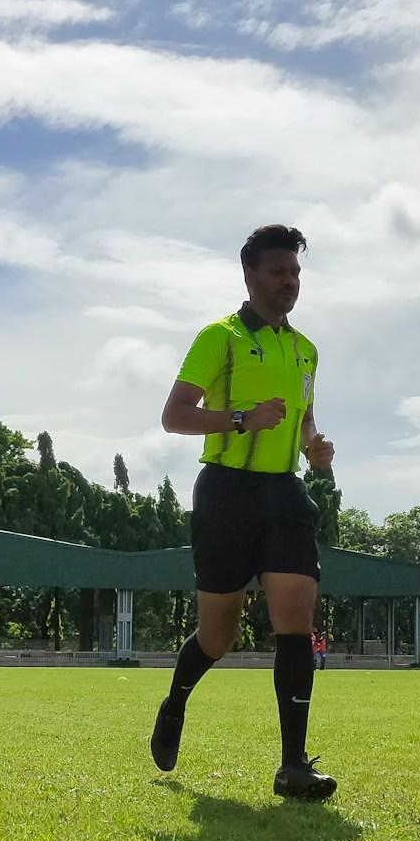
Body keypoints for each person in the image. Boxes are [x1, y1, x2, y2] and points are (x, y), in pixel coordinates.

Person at [150, 225, 338, 800]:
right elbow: (174, 416)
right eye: (279, 272)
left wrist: (315, 448)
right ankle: (175, 701)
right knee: (218, 634)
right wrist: (240, 419)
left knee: (295, 624)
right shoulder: (220, 337)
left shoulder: (306, 349)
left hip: (284, 495)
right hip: (226, 493)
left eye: (296, 273)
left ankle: (293, 764)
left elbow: (304, 421)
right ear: (250, 276)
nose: (290, 283)